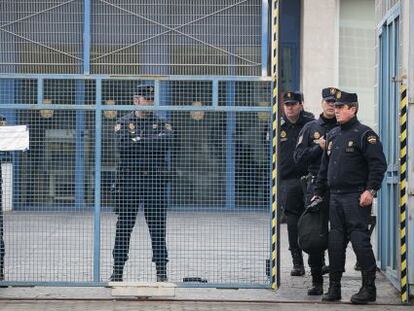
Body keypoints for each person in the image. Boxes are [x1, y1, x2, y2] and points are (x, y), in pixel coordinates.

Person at [313, 91, 387, 304]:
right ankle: (334, 288)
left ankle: (368, 288)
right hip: (334, 197)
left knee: (360, 242)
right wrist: (318, 192)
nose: (336, 111)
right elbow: (324, 169)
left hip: (356, 198)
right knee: (335, 243)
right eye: (335, 107)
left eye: (341, 107)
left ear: (353, 109)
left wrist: (370, 190)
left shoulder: (365, 134)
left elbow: (377, 165)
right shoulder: (334, 135)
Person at [110, 84, 173, 282]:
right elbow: (123, 147)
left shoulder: (162, 123)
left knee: (157, 227)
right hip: (129, 181)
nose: (149, 102)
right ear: (136, 100)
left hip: (155, 181)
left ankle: (161, 273)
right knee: (124, 227)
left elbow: (167, 144)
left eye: (151, 99)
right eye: (146, 98)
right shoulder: (123, 122)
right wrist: (150, 143)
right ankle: (117, 270)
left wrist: (138, 141)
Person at [294, 87, 339, 295]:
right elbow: (298, 157)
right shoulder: (311, 128)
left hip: (340, 188)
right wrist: (318, 147)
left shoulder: (346, 127)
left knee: (339, 235)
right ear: (322, 103)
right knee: (315, 234)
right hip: (315, 187)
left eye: (335, 103)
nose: (331, 105)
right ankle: (317, 281)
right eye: (328, 101)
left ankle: (335, 283)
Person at [279, 91, 314, 276]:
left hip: (310, 179)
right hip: (289, 181)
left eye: (293, 104)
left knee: (315, 221)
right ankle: (297, 263)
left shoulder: (311, 124)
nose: (290, 107)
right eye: (287, 104)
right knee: (292, 223)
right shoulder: (278, 125)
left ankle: (318, 262)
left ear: (301, 104)